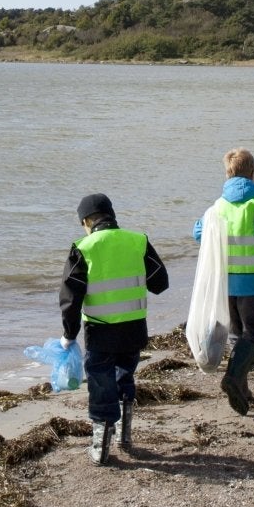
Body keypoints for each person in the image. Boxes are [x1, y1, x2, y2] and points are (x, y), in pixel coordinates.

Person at [60, 192, 170, 464]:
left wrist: (68, 335)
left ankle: (101, 443)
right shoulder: (138, 241)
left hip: (100, 331)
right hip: (134, 330)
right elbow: (160, 283)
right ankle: (125, 433)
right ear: (112, 216)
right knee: (124, 375)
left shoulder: (83, 248)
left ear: (86, 221)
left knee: (100, 380)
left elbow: (70, 300)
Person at [192, 148, 254, 416]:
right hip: (251, 284)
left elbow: (198, 232)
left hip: (224, 283)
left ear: (228, 174)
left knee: (239, 335)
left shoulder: (217, 208)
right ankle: (234, 378)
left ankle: (243, 389)